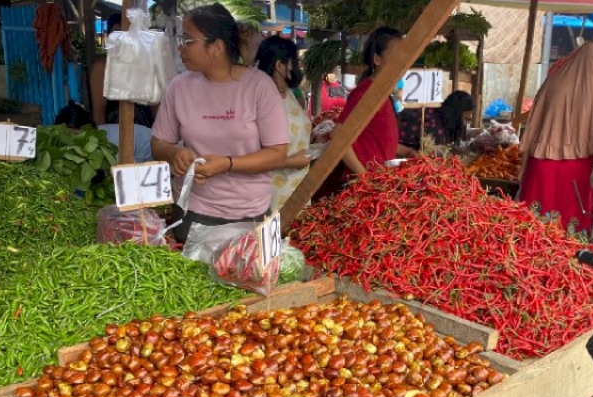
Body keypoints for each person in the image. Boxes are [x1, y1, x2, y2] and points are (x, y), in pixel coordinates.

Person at [151, 3, 289, 243]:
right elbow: (158, 143)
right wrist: (174, 153)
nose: (180, 46)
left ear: (216, 47)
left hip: (250, 214)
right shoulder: (179, 87)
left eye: (187, 40)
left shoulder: (259, 86)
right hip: (192, 211)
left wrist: (227, 164)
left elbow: (277, 154)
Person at [518, 39, 593, 235]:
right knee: (570, 236)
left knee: (532, 234)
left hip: (542, 164)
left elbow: (532, 126)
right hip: (580, 171)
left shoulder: (553, 81)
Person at [312, 27, 415, 201]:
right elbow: (338, 135)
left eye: (404, 54)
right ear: (377, 59)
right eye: (396, 55)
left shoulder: (381, 93)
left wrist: (407, 151)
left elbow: (376, 139)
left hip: (379, 184)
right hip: (363, 190)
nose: (402, 60)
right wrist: (364, 178)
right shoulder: (367, 92)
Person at [255, 36, 312, 211]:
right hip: (275, 193)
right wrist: (291, 161)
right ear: (280, 65)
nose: (297, 67)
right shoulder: (263, 98)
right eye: (293, 62)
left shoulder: (289, 93)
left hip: (298, 188)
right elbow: (254, 154)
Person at [89, 13, 155, 163]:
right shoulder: (102, 67)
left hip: (146, 141)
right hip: (114, 142)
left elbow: (157, 110)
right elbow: (98, 114)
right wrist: (104, 150)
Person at [398, 91, 475, 149]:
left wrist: (472, 132)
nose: (465, 123)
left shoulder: (436, 112)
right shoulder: (436, 131)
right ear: (455, 115)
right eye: (466, 118)